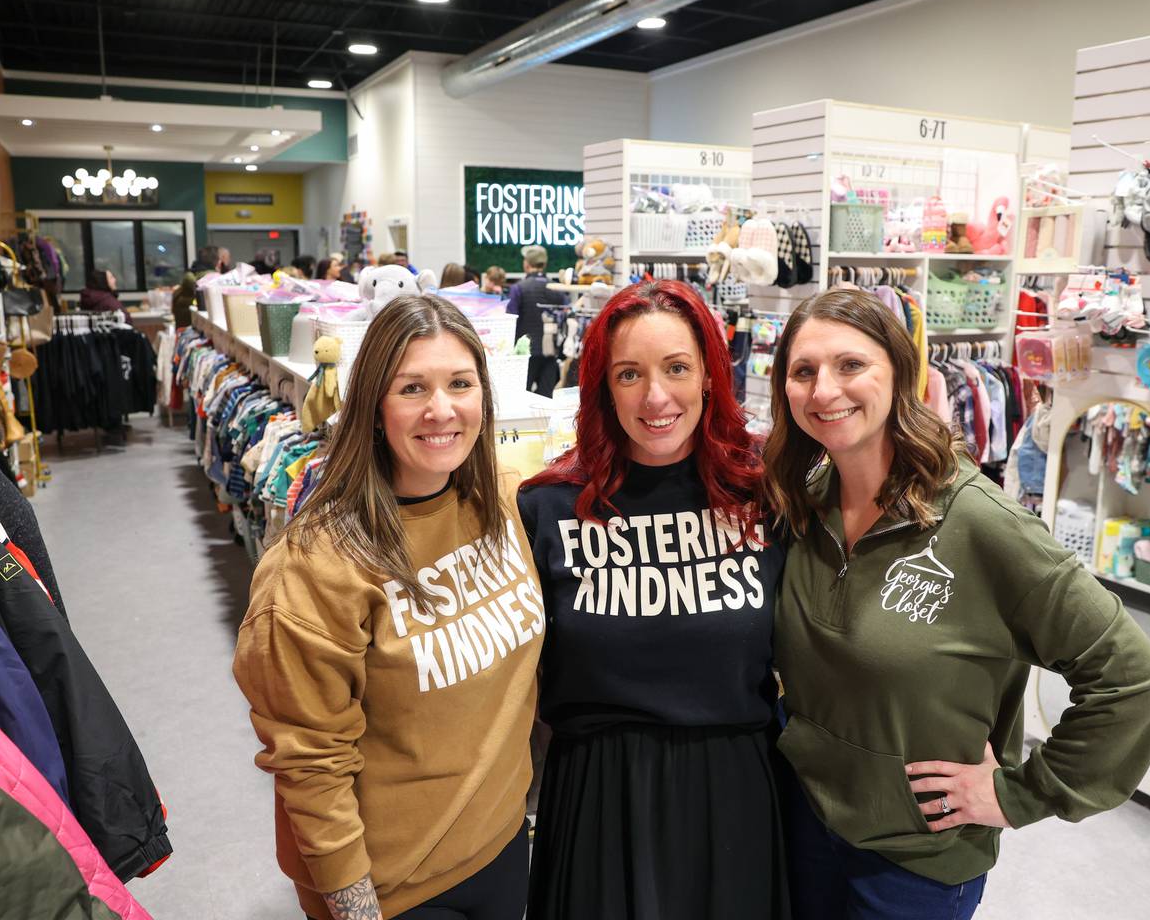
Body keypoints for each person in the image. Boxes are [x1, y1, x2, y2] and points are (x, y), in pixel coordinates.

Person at [762, 288, 1150, 920]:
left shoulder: (980, 521)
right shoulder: (804, 503)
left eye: (851, 365)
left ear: (900, 374)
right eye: (803, 371)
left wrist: (1018, 795)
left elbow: (1135, 681)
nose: (824, 390)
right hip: (805, 822)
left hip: (917, 861)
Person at [234, 294, 546, 920]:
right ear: (374, 408)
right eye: (412, 388)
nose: (441, 409)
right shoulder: (316, 565)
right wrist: (356, 909)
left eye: (460, 383)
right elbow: (311, 763)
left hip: (503, 843)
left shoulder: (504, 502)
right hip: (396, 889)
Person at [518, 280, 791, 920]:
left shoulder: (766, 494)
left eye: (676, 368)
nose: (655, 396)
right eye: (629, 374)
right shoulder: (549, 506)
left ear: (710, 376)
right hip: (596, 800)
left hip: (735, 797)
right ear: (603, 388)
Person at [505, 245, 568, 396]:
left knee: (520, 395)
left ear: (526, 264)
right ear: (544, 264)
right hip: (551, 351)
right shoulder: (556, 289)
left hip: (525, 352)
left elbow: (510, 319)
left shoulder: (518, 288)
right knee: (545, 398)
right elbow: (566, 314)